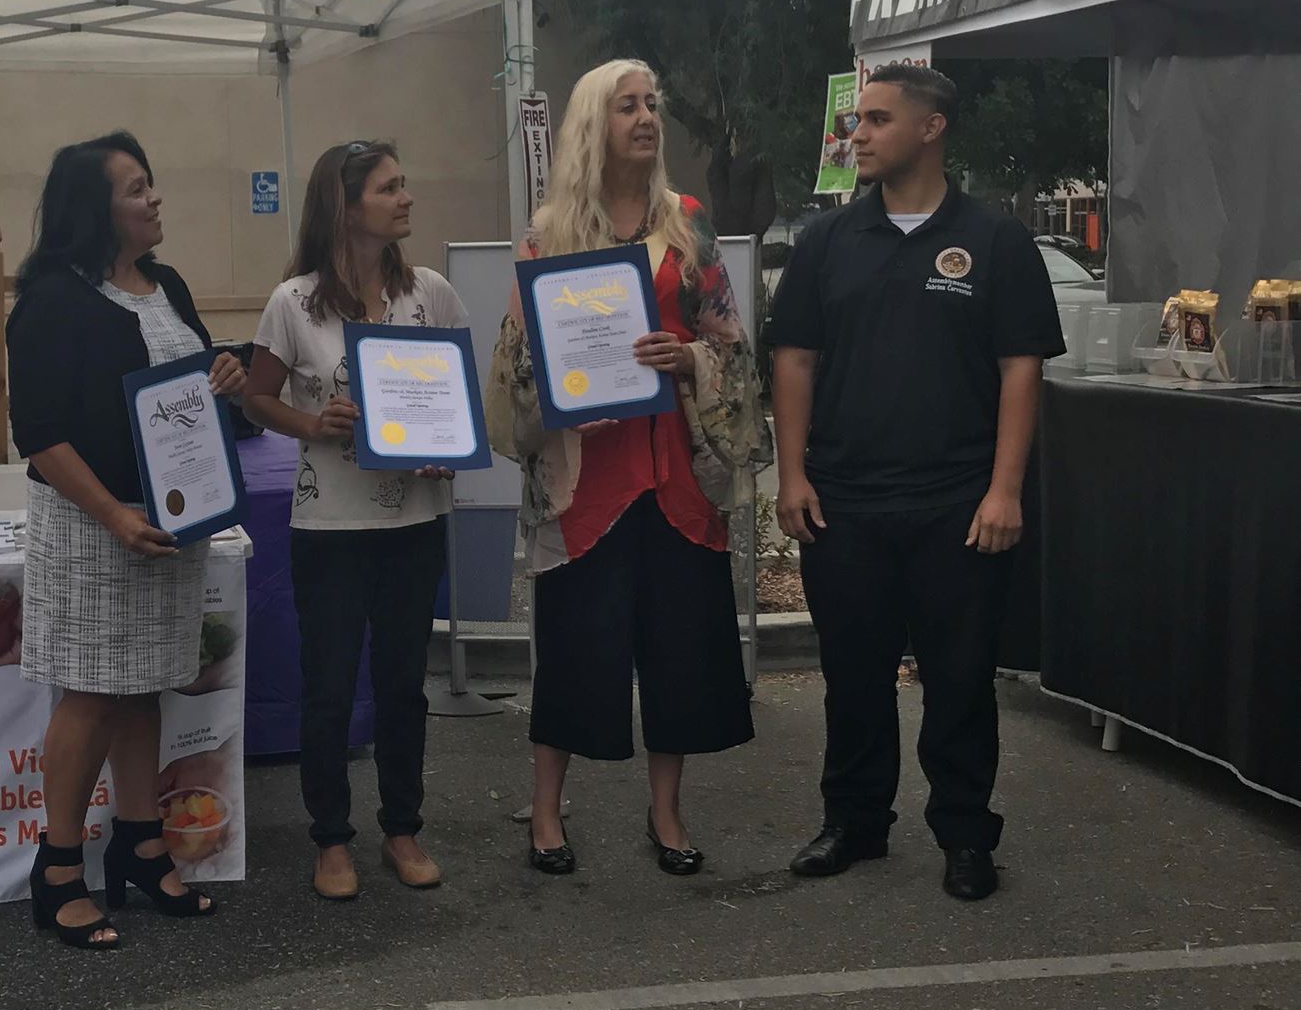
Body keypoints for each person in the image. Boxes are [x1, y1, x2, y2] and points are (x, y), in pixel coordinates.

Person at [767, 63, 1065, 900]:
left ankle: (966, 835)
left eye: (876, 120)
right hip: (845, 501)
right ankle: (855, 823)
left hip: (958, 503)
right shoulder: (826, 243)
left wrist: (1005, 490)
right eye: (856, 121)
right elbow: (794, 360)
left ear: (931, 129)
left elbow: (1020, 368)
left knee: (961, 680)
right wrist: (791, 474)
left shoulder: (996, 238)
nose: (856, 135)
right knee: (852, 677)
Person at [487, 60, 765, 877]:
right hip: (587, 487)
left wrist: (688, 362)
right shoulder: (547, 236)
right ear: (591, 124)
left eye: (653, 103)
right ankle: (545, 812)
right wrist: (564, 390)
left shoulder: (689, 226)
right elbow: (514, 367)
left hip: (678, 477)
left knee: (679, 650)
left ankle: (667, 813)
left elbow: (733, 348)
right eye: (628, 107)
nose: (647, 118)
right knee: (574, 650)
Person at [6, 132, 246, 951]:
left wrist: (228, 378)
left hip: (170, 519)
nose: (155, 200)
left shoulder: (166, 284)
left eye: (153, 184)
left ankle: (143, 848)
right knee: (91, 690)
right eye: (138, 188)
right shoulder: (50, 300)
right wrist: (112, 513)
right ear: (96, 210)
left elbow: (192, 381)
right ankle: (60, 869)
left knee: (145, 683)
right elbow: (37, 432)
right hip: (91, 527)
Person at [245, 140, 468, 900]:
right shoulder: (293, 302)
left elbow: (456, 394)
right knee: (330, 685)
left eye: (405, 184)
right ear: (344, 207)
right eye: (388, 188)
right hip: (330, 528)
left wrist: (447, 448)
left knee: (404, 684)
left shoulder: (430, 293)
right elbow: (256, 397)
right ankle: (331, 838)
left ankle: (402, 828)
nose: (406, 198)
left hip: (414, 518)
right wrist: (313, 424)